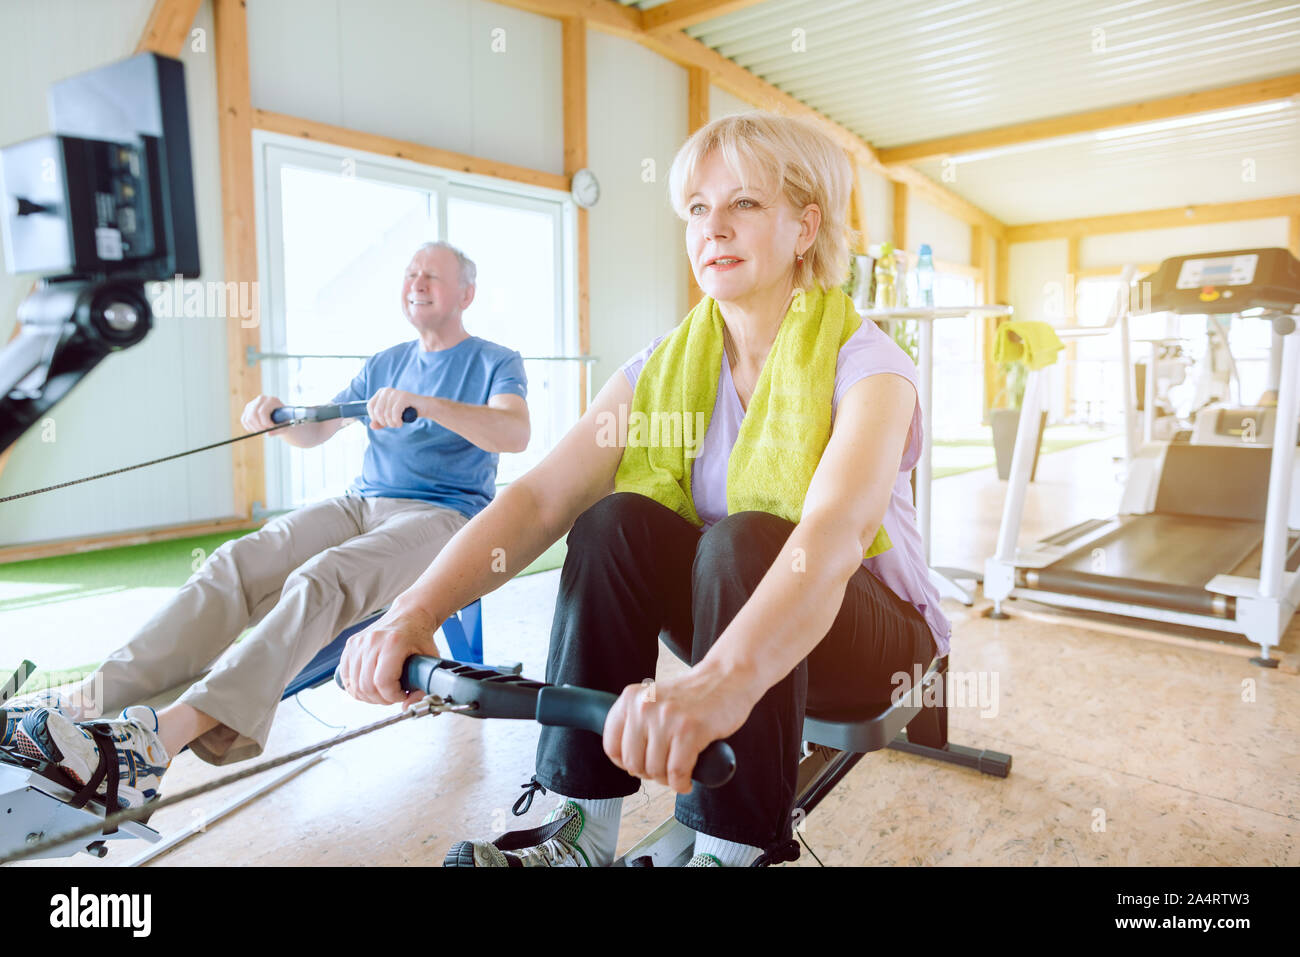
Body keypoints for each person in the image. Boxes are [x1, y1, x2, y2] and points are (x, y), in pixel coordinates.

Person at [340, 111, 950, 867]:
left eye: (745, 204)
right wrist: (415, 609)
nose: (713, 228)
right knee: (612, 521)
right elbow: (541, 498)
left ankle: (733, 849)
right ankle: (579, 829)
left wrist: (719, 685)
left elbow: (834, 534)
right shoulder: (664, 367)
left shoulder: (870, 365)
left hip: (870, 647)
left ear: (804, 228)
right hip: (734, 616)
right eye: (699, 208)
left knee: (752, 538)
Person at [3, 241, 530, 809]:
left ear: (466, 293)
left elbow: (513, 434)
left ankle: (158, 742)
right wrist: (276, 419)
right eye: (410, 273)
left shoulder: (495, 360)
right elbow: (317, 430)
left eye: (432, 275)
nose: (416, 282)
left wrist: (428, 404)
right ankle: (85, 701)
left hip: (444, 514)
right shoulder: (386, 360)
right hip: (361, 502)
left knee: (324, 578)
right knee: (235, 561)